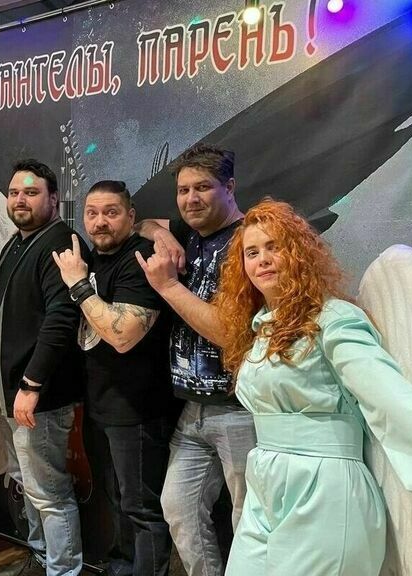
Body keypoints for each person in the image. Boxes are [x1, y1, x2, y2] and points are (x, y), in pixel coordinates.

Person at [212, 199, 412, 575]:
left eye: (275, 247)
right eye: (252, 252)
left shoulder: (334, 319)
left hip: (327, 492)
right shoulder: (258, 331)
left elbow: (391, 400)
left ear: (299, 253)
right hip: (265, 484)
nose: (263, 260)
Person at [136, 144, 256, 575]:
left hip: (241, 407)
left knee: (250, 521)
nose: (190, 199)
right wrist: (163, 234)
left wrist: (169, 287)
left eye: (202, 187)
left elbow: (229, 332)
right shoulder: (191, 233)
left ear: (230, 187)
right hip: (193, 409)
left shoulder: (250, 241)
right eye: (183, 190)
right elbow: (141, 221)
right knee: (179, 509)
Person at [52, 181, 176, 576]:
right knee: (117, 499)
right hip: (100, 403)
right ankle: (122, 566)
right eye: (92, 213)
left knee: (141, 507)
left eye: (111, 212)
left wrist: (78, 285)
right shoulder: (92, 259)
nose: (100, 222)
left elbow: (123, 336)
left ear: (130, 216)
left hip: (136, 407)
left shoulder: (140, 258)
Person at [0, 159, 87, 576]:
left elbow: (61, 319)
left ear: (53, 198)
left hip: (37, 399)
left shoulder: (61, 244)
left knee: (49, 492)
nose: (20, 200)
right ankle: (42, 559)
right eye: (14, 193)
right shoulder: (18, 242)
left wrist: (31, 383)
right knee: (27, 483)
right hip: (9, 393)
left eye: (31, 192)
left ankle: (63, 570)